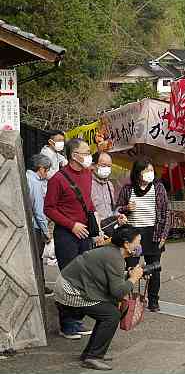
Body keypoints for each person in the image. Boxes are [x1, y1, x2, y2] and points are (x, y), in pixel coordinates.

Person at [54, 224, 144, 371]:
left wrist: (127, 276)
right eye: (138, 242)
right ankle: (93, 357)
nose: (140, 245)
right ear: (127, 244)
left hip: (71, 284)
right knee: (111, 315)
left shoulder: (112, 252)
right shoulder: (115, 257)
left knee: (108, 311)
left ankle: (90, 354)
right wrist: (133, 278)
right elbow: (118, 292)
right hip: (70, 290)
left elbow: (108, 277)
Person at [44, 138, 100, 339]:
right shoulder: (57, 179)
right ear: (74, 155)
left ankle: (77, 319)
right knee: (70, 279)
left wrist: (96, 226)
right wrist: (71, 225)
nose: (88, 155)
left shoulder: (87, 174)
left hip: (85, 233)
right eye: (85, 151)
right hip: (66, 235)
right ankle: (66, 324)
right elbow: (48, 208)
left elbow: (87, 202)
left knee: (85, 277)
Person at [116, 157, 170, 312]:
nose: (149, 174)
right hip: (133, 235)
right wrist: (126, 208)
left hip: (153, 233)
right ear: (138, 173)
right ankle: (129, 300)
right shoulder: (128, 189)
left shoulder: (158, 188)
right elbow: (117, 210)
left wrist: (163, 236)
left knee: (154, 268)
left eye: (151, 170)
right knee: (131, 267)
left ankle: (153, 300)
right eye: (146, 171)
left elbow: (166, 212)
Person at [26, 153, 53, 294]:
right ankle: (40, 287)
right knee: (37, 259)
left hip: (26, 225)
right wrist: (46, 232)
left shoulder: (25, 177)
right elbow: (38, 212)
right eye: (46, 170)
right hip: (35, 227)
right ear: (41, 168)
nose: (46, 173)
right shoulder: (35, 182)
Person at [91, 152, 116, 222]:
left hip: (109, 226)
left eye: (109, 166)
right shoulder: (87, 184)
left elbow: (112, 208)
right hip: (95, 228)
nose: (107, 169)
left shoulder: (109, 185)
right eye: (103, 165)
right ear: (93, 165)